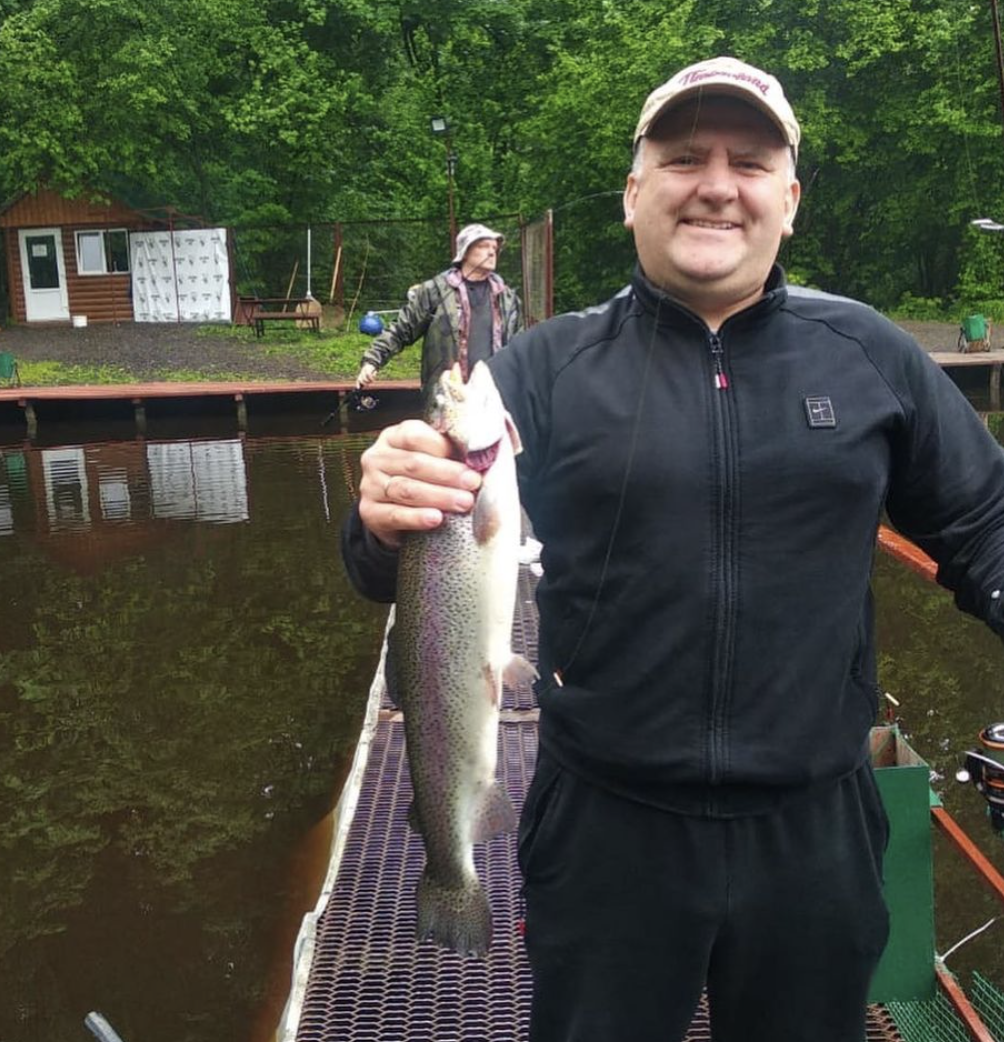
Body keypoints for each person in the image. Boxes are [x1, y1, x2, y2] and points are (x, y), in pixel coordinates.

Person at [341, 55, 1004, 1042]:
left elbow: (982, 527)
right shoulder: (543, 369)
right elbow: (386, 563)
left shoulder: (869, 357)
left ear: (788, 198)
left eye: (747, 161)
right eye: (683, 156)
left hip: (813, 827)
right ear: (632, 192)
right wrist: (378, 508)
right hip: (606, 826)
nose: (714, 183)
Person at [354, 222, 523, 401]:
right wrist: (372, 361)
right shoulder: (436, 291)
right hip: (447, 397)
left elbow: (520, 349)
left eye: (494, 248)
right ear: (464, 251)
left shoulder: (508, 299)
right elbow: (401, 330)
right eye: (483, 246)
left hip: (494, 397)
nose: (491, 252)